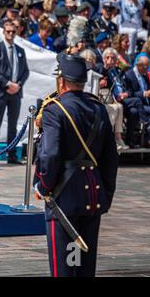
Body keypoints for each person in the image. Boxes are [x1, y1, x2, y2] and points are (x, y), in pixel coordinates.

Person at [34, 52, 118, 277]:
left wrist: (43, 186)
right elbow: (111, 158)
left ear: (61, 81)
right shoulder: (98, 108)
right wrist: (106, 194)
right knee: (84, 268)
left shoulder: (55, 109)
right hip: (93, 194)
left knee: (65, 268)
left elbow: (50, 155)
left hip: (64, 195)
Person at [0, 20, 29, 166]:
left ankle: (12, 155)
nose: (10, 34)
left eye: (13, 31)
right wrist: (7, 84)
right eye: (8, 31)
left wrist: (18, 85)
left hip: (16, 93)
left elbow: (25, 71)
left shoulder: (20, 51)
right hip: (0, 91)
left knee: (13, 125)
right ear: (3, 32)